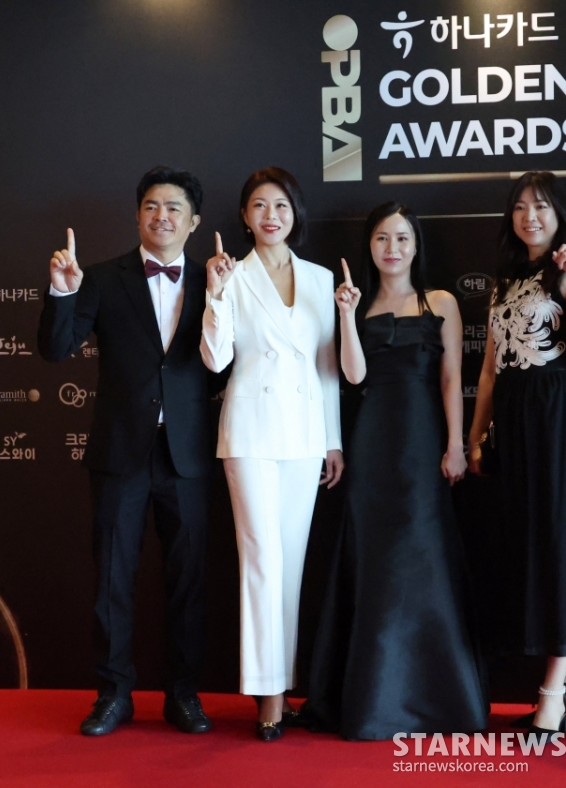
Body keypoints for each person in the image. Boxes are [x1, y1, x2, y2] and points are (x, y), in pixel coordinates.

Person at [38, 166, 218, 736]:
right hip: (120, 453)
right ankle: (113, 694)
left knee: (188, 581)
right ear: (138, 215)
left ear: (194, 221)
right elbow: (55, 349)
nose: (161, 216)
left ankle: (183, 694)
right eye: (151, 206)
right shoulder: (99, 278)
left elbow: (230, 362)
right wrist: (63, 291)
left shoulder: (217, 279)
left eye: (173, 207)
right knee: (113, 579)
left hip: (188, 455)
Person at [308, 202, 488, 739]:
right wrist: (345, 315)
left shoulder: (441, 302)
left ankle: (439, 702)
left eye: (402, 238)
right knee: (374, 562)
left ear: (415, 245)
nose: (392, 248)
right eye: (383, 238)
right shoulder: (356, 305)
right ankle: (372, 702)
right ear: (369, 246)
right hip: (371, 446)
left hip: (423, 443)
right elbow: (353, 377)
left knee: (424, 557)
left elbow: (453, 377)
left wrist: (455, 444)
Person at [199, 167, 343, 742]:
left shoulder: (320, 278)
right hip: (251, 432)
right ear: (244, 216)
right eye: (259, 205)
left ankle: (281, 683)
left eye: (280, 205)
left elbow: (327, 366)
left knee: (292, 562)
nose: (270, 216)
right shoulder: (231, 275)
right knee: (260, 558)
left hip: (304, 435)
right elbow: (215, 359)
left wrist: (332, 439)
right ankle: (268, 695)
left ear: (294, 212)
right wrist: (214, 294)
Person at [467, 171, 566, 735]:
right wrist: (476, 436)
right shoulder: (504, 280)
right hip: (514, 422)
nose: (530, 217)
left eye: (541, 206)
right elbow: (489, 369)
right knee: (529, 549)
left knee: (559, 545)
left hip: (557, 418)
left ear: (560, 215)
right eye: (520, 207)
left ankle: (553, 693)